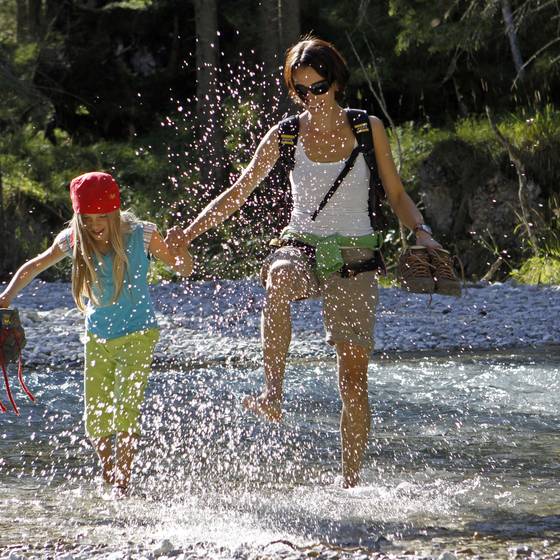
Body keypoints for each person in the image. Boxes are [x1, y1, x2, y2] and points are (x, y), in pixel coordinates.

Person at [167, 36, 442, 487]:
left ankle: (349, 482)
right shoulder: (286, 133)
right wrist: (189, 232)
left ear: (335, 83)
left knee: (352, 381)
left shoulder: (366, 128)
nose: (310, 98)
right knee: (278, 279)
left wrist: (422, 234)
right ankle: (272, 392)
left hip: (356, 255)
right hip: (301, 245)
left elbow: (395, 194)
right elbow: (239, 192)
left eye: (318, 87)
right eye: (301, 90)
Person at [0, 171, 192, 496]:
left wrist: (180, 249)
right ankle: (109, 473)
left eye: (101, 216)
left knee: (126, 409)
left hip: (139, 333)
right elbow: (35, 265)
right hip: (97, 337)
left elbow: (183, 268)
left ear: (114, 212)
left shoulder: (142, 234)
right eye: (87, 218)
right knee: (97, 413)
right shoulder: (73, 239)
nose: (95, 224)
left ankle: (123, 483)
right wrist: (5, 298)